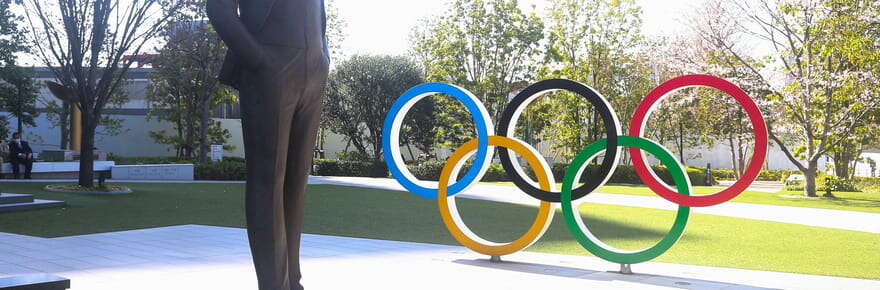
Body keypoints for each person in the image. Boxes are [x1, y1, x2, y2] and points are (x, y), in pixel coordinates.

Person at [206, 1, 330, 289]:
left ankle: (292, 281)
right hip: (270, 63)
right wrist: (259, 60)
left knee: (297, 179)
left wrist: (322, 57)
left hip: (313, 68)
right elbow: (219, 10)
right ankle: (274, 284)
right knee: (268, 179)